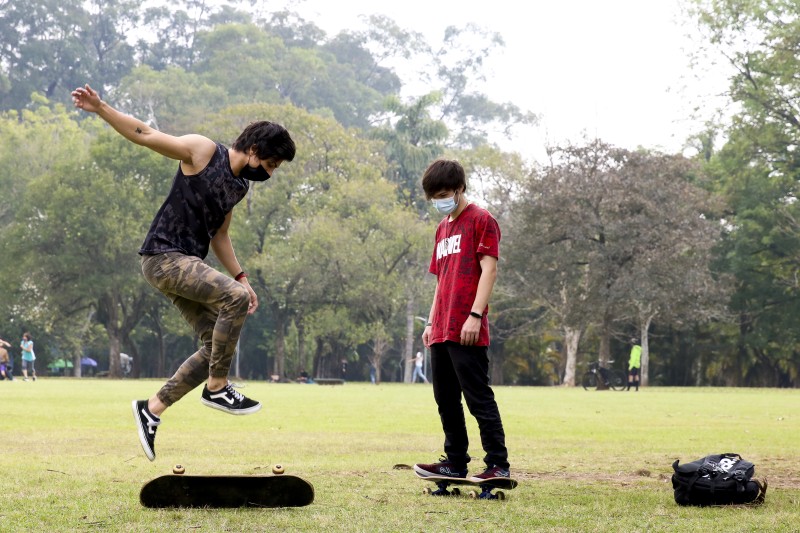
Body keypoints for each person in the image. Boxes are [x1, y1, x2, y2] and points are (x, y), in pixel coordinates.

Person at [72, 83, 296, 461]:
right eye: (271, 164)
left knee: (215, 344)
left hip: (186, 264)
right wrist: (101, 108)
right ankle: (218, 387)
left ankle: (152, 408)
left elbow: (221, 235)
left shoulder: (239, 186)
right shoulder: (204, 151)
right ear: (255, 150)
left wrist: (242, 278)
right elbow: (145, 134)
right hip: (163, 257)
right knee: (234, 301)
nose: (271, 174)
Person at [414, 159, 511, 484]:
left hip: (467, 327)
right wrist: (430, 323)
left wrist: (474, 315)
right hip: (441, 327)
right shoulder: (442, 229)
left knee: (477, 397)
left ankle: (498, 464)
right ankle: (455, 462)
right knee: (445, 399)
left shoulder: (482, 220)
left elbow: (490, 269)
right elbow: (441, 281)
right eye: (434, 197)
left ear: (459, 189)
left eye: (444, 194)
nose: (439, 201)